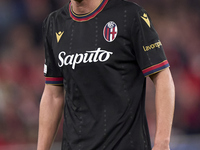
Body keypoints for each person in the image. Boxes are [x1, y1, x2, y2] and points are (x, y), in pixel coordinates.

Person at [37, 0, 175, 150]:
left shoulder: (129, 15)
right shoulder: (54, 23)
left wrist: (162, 142)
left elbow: (162, 75)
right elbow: (53, 94)